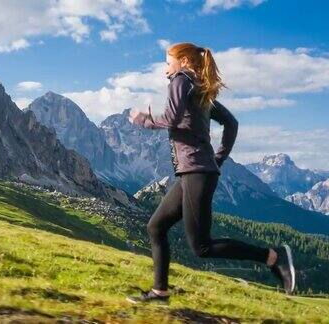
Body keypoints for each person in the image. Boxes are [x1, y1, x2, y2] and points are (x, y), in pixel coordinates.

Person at [125, 42, 296, 303]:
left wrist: (142, 119)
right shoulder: (200, 89)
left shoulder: (181, 81)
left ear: (183, 61)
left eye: (167, 61)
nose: (165, 69)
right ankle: (160, 291)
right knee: (156, 226)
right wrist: (218, 158)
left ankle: (272, 257)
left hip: (196, 173)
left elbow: (171, 118)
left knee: (202, 247)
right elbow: (231, 123)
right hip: (193, 172)